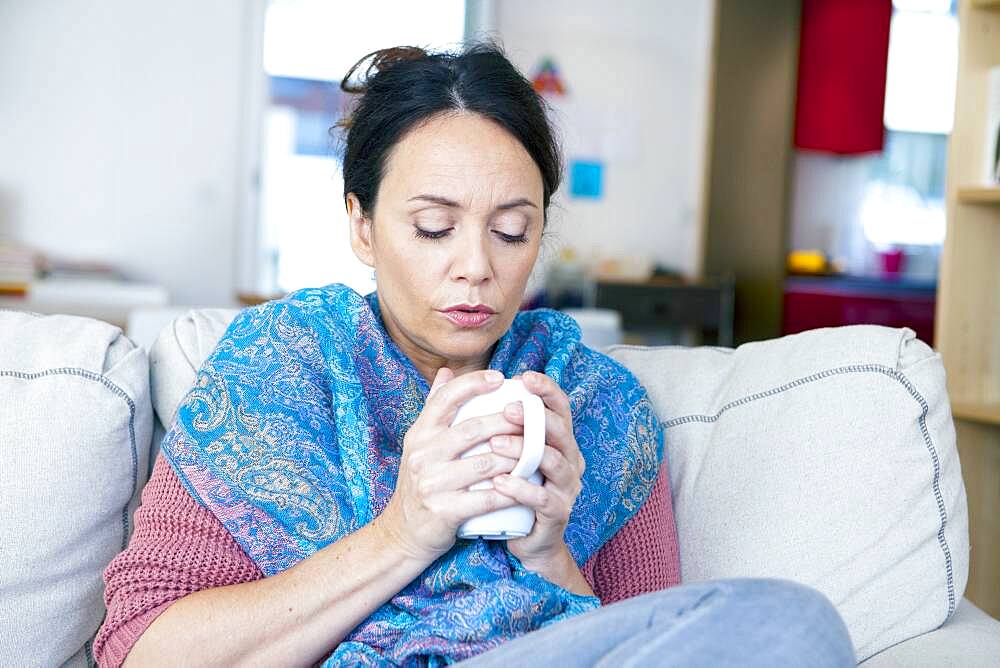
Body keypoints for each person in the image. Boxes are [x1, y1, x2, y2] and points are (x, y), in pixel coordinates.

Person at [94, 41, 855, 667]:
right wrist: (403, 532)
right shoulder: (277, 373)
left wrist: (551, 555)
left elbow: (651, 641)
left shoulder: (598, 409)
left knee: (791, 625)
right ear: (361, 225)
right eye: (433, 227)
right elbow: (140, 652)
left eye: (512, 230)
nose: (477, 268)